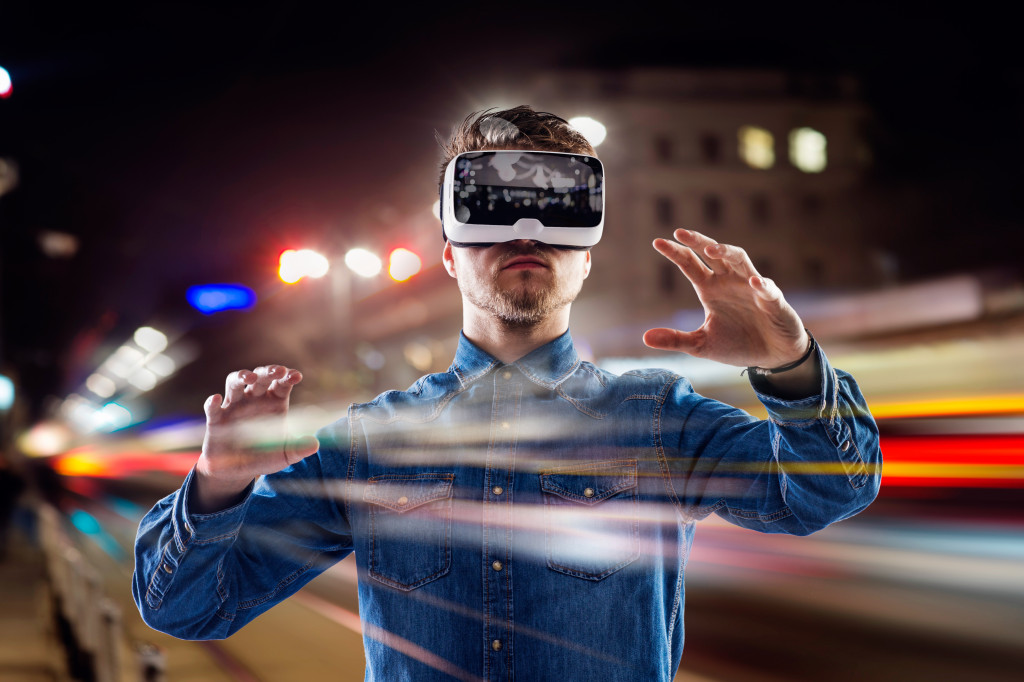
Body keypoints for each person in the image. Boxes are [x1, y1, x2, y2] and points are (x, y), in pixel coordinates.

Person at [133, 105, 881, 681]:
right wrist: (218, 486)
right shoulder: (369, 441)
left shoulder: (658, 421)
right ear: (449, 255)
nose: (527, 232)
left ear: (587, 256)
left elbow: (828, 493)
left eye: (556, 215)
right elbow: (190, 607)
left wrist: (791, 364)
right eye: (492, 213)